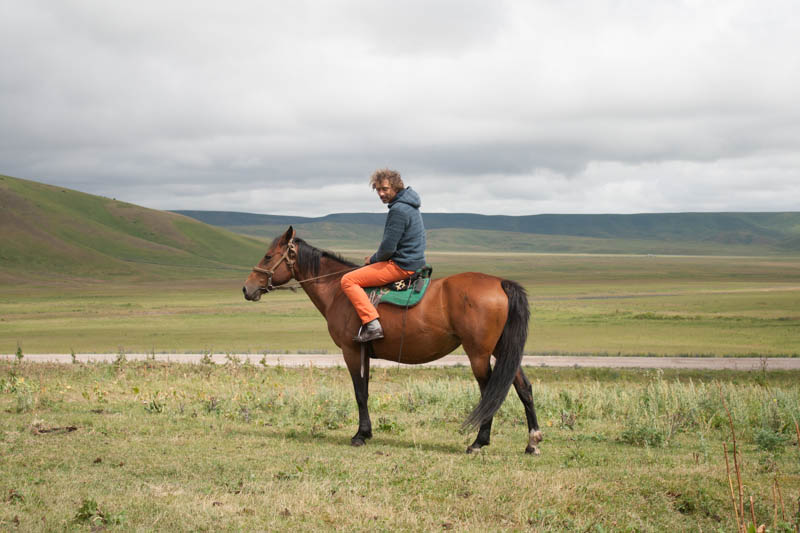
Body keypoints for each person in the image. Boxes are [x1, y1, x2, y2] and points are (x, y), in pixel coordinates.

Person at [341, 168, 427, 342]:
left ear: (396, 187)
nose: (381, 193)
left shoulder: (399, 210)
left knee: (348, 280)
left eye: (385, 189)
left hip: (402, 265)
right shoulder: (409, 205)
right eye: (378, 189)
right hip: (414, 261)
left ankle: (372, 326)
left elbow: (388, 248)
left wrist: (372, 259)